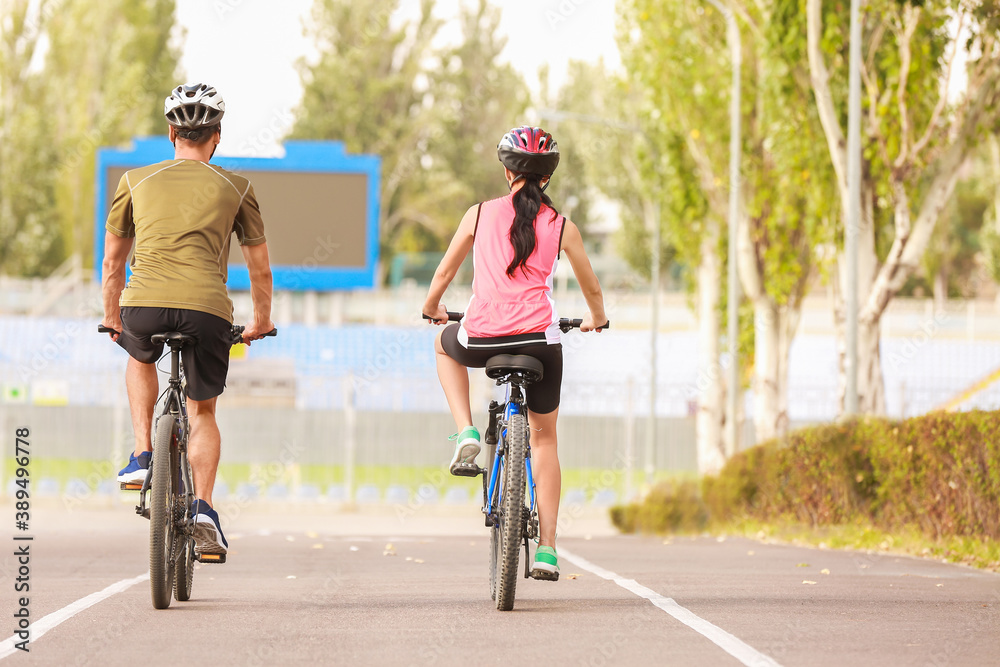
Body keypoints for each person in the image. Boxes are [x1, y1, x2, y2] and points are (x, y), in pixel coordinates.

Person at [423, 126, 608, 580]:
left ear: (507, 171)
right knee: (545, 439)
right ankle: (547, 549)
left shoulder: (479, 214)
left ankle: (466, 431)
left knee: (442, 346)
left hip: (482, 337)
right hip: (540, 343)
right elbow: (592, 288)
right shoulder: (562, 226)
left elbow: (445, 270)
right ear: (547, 178)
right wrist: (596, 319)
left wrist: (432, 308)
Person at [101, 83, 275, 558]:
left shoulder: (134, 180)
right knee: (202, 411)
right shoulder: (237, 186)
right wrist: (261, 321)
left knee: (137, 352)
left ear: (170, 133)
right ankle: (203, 507)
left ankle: (141, 455)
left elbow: (114, 262)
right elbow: (259, 267)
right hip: (208, 309)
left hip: (144, 302)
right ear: (216, 136)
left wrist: (111, 316)